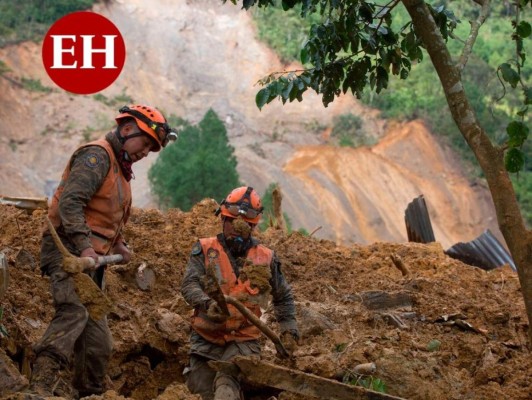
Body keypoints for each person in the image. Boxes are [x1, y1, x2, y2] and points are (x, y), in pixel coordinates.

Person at [29, 105, 177, 398]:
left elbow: (106, 216)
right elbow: (70, 203)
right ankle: (40, 385)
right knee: (73, 312)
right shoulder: (96, 157)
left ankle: (89, 393)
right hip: (67, 251)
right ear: (126, 129)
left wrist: (119, 245)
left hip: (90, 262)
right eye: (145, 143)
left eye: (151, 148)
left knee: (99, 342)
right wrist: (85, 247)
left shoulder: (120, 171)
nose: (145, 152)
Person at [181, 186, 299, 400]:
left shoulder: (266, 258)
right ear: (222, 220)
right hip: (206, 340)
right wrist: (208, 303)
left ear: (253, 226)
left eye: (245, 225)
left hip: (243, 341)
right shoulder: (205, 249)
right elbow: (189, 285)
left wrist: (289, 331)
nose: (238, 229)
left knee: (227, 382)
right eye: (233, 223)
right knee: (201, 391)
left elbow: (284, 297)